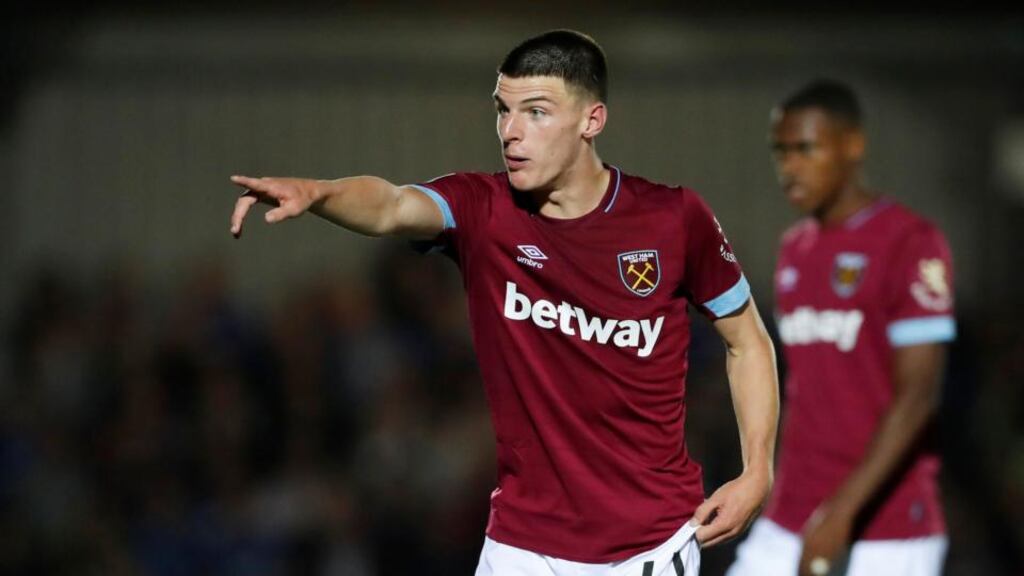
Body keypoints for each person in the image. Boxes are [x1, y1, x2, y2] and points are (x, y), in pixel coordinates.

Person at [229, 30, 779, 576]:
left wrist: (758, 470)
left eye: (536, 112)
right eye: (502, 110)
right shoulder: (484, 211)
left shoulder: (673, 219)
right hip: (521, 549)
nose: (511, 132)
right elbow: (391, 206)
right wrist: (320, 193)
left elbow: (748, 342)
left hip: (649, 547)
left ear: (592, 120)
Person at [727, 80, 956, 576]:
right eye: (780, 151)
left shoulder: (910, 242)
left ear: (852, 145)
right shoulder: (796, 248)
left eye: (805, 148)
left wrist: (842, 513)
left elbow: (918, 395)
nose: (789, 166)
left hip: (887, 529)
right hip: (791, 515)